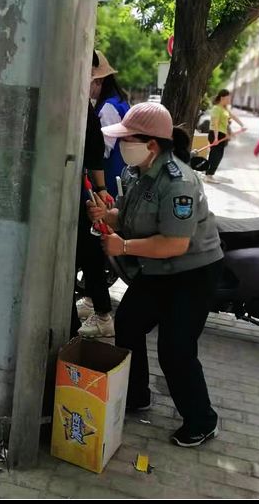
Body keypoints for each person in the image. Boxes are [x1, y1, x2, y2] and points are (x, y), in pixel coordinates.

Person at [86, 101, 224, 447]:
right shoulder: (137, 173)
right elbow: (129, 217)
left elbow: (175, 243)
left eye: (127, 139)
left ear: (150, 144)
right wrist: (105, 214)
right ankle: (136, 395)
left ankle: (202, 420)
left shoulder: (179, 183)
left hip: (193, 273)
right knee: (129, 323)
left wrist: (123, 247)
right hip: (158, 269)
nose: (121, 145)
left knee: (175, 349)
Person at [73, 54, 116, 339]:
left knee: (88, 249)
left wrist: (100, 191)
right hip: (86, 186)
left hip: (82, 189)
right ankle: (96, 307)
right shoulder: (83, 104)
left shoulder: (88, 106)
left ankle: (100, 312)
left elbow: (97, 150)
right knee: (87, 250)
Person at [91, 50, 131, 198]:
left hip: (109, 183)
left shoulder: (109, 108)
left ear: (99, 81)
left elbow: (102, 151)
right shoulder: (118, 102)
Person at [205, 89, 245, 183]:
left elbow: (233, 117)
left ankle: (210, 174)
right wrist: (215, 138)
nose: (229, 100)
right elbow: (215, 124)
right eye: (228, 98)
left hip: (221, 134)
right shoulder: (216, 108)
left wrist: (242, 125)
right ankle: (208, 175)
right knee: (215, 155)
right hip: (215, 133)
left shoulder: (225, 109)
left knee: (218, 155)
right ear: (222, 98)